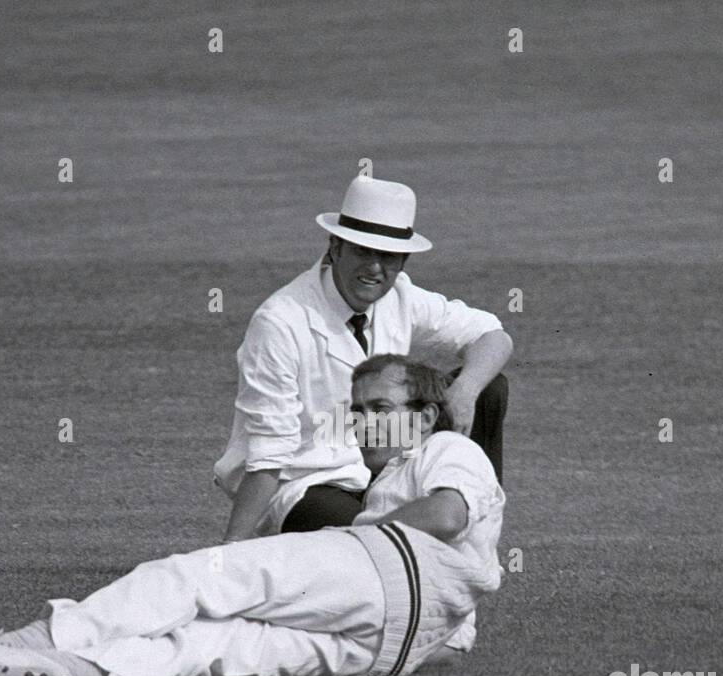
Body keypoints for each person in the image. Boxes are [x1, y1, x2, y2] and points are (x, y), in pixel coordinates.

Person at [0, 356, 505, 676]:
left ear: (424, 417)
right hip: (394, 647)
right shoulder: (386, 484)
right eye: (356, 413)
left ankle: (30, 641)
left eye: (380, 412)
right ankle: (51, 673)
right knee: (216, 648)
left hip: (377, 570)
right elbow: (455, 639)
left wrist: (348, 539)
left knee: (196, 577)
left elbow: (448, 515)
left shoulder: (447, 448)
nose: (363, 425)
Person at [215, 174, 513, 541]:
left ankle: (477, 530)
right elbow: (269, 453)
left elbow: (492, 335)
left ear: (403, 262)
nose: (374, 268)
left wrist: (465, 390)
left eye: (387, 256)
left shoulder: (400, 295)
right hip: (305, 479)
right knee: (371, 545)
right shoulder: (280, 322)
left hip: (380, 462)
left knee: (489, 388)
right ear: (335, 247)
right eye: (362, 251)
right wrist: (229, 551)